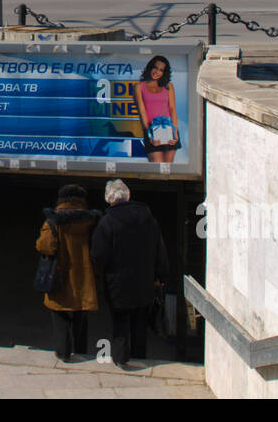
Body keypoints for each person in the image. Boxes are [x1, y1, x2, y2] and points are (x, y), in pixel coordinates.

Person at [90, 179, 170, 368]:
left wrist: (99, 273)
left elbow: (98, 255)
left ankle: (120, 357)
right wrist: (161, 276)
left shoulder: (107, 222)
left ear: (109, 199)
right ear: (128, 196)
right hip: (144, 281)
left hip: (117, 282)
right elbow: (160, 250)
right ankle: (140, 355)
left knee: (120, 322)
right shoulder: (149, 219)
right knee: (139, 321)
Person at [35, 184, 101, 361]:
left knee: (59, 315)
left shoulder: (52, 221)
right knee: (80, 317)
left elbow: (45, 246)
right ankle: (81, 351)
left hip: (60, 277)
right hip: (83, 278)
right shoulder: (90, 221)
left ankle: (63, 352)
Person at [135, 55, 179, 163]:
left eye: (161, 70)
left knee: (168, 169)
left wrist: (175, 131)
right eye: (155, 68)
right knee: (157, 166)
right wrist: (149, 135)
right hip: (151, 129)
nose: (157, 72)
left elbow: (172, 109)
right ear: (150, 68)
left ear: (164, 72)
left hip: (169, 128)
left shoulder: (168, 86)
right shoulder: (139, 87)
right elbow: (142, 112)